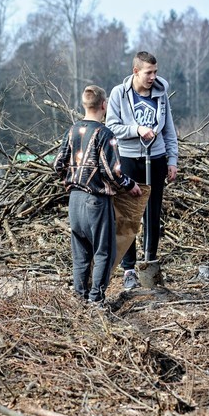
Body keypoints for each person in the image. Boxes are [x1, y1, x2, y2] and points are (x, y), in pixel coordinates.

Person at [54, 85, 142, 304]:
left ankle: (79, 299)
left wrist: (74, 177)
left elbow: (57, 164)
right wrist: (129, 184)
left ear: (84, 105)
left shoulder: (72, 131)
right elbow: (112, 171)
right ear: (104, 105)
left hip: (74, 200)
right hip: (96, 201)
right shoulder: (105, 134)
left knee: (81, 254)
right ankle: (96, 300)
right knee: (104, 252)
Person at [106, 51, 179, 290]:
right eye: (149, 72)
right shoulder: (119, 93)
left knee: (152, 213)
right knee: (128, 214)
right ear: (136, 71)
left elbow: (168, 129)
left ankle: (149, 263)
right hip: (128, 158)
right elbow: (112, 126)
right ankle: (129, 270)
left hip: (156, 158)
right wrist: (137, 129)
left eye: (156, 72)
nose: (153, 77)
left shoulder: (160, 94)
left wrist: (172, 159)